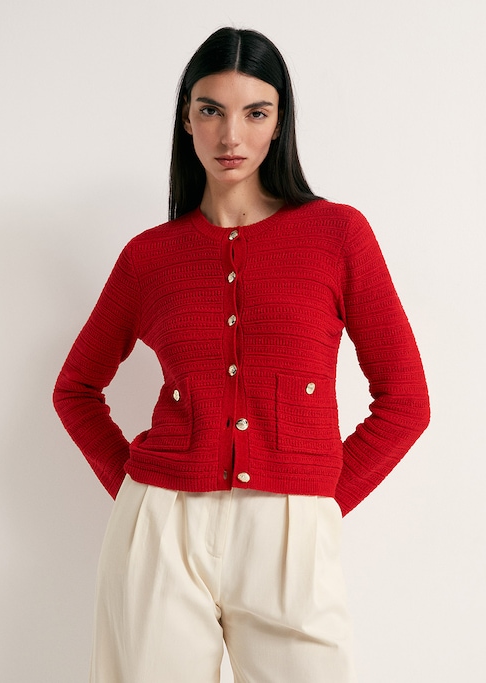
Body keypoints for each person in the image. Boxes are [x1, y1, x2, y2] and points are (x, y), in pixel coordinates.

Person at [53, 26, 430, 683]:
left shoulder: (337, 235)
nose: (231, 136)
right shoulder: (150, 257)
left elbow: (406, 402)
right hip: (162, 526)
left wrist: (320, 501)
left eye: (255, 112)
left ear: (280, 122)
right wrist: (137, 495)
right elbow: (75, 389)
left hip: (291, 532)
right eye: (211, 110)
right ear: (186, 119)